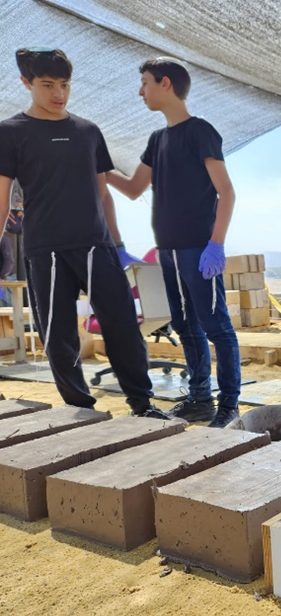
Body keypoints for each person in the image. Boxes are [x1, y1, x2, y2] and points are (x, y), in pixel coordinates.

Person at [0, 47, 169, 418]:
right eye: (47, 85)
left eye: (64, 85)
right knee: (58, 335)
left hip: (97, 245)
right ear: (26, 83)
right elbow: (1, 196)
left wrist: (119, 243)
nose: (58, 94)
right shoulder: (10, 133)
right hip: (46, 248)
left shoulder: (87, 131)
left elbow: (103, 193)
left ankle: (142, 405)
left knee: (123, 325)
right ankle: (82, 407)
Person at [107, 57, 241, 428]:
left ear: (165, 84)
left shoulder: (200, 132)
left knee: (217, 327)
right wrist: (100, 169)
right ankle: (200, 400)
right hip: (167, 249)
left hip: (199, 249)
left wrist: (217, 243)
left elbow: (226, 192)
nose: (140, 91)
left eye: (145, 83)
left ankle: (229, 406)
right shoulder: (157, 140)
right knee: (185, 326)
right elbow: (134, 189)